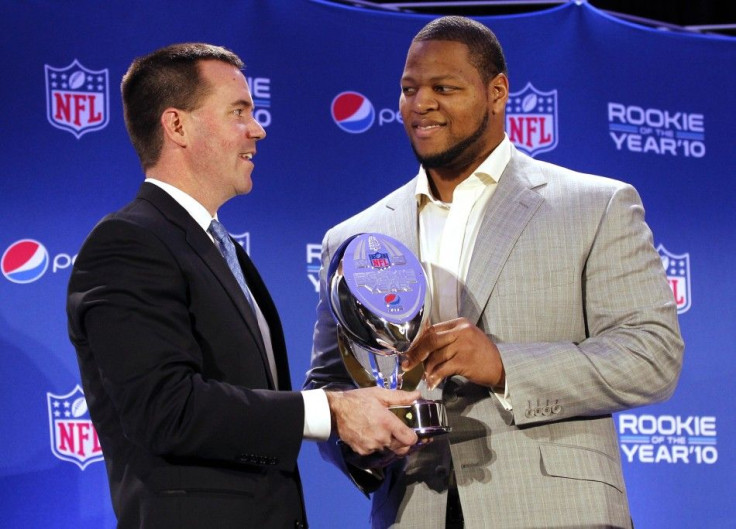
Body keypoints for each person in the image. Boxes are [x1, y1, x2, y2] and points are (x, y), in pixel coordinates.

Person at [305, 16, 684, 529]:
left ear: (497, 92)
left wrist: (503, 364)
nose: (422, 104)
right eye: (409, 89)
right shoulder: (354, 237)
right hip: (413, 509)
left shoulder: (594, 205)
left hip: (557, 512)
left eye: (445, 87)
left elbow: (651, 353)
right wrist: (364, 440)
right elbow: (332, 383)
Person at [66, 43, 420, 529]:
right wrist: (332, 410)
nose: (258, 128)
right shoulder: (128, 244)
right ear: (177, 126)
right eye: (238, 112)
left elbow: (247, 415)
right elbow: (165, 410)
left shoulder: (222, 248)